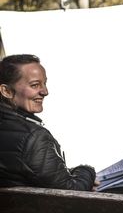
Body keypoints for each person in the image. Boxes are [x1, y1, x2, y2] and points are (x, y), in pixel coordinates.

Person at [0, 54, 96, 190]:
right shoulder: (33, 137)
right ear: (6, 91)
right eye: (35, 85)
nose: (45, 91)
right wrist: (86, 170)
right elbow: (71, 191)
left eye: (44, 83)